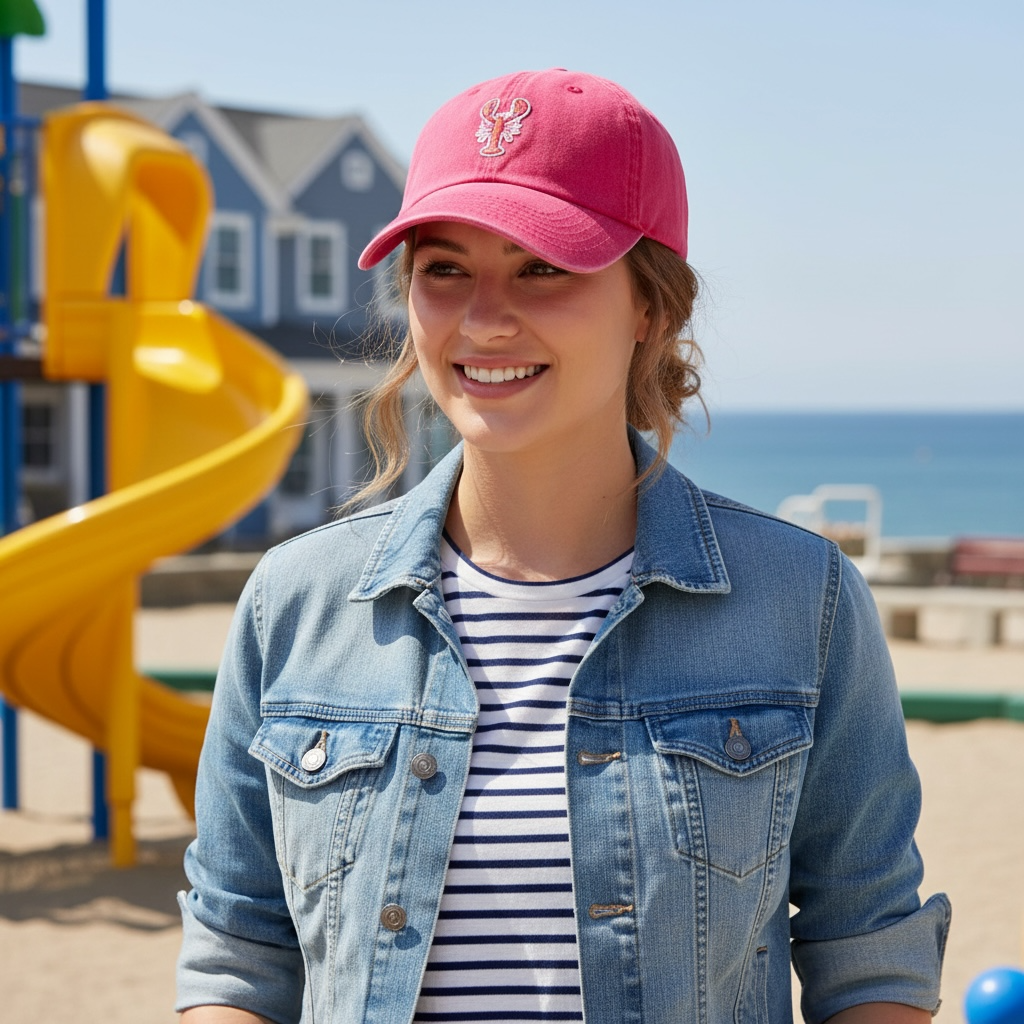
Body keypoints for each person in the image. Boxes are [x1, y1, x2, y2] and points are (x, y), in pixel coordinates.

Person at [176, 69, 949, 1024]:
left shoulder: (802, 603)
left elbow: (869, 954)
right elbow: (237, 953)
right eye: (444, 268)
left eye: (545, 267)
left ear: (651, 310)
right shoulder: (294, 603)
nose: (485, 317)